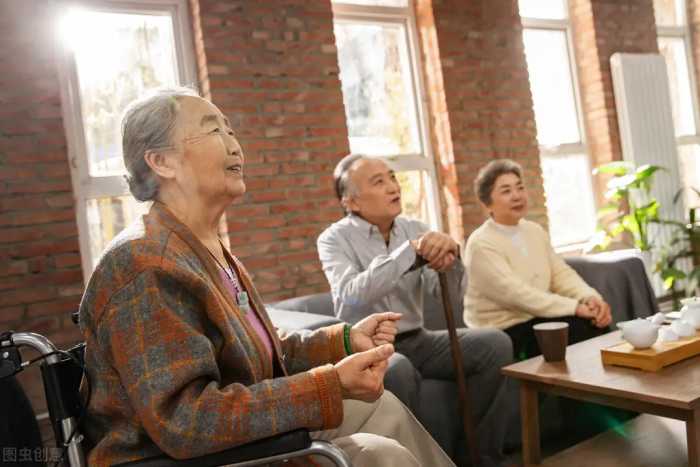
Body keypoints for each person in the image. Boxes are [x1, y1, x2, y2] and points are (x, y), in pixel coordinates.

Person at [78, 88, 454, 467]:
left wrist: (342, 341)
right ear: (162, 161)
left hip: (236, 443)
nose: (235, 146)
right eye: (214, 131)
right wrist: (330, 385)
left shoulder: (206, 248)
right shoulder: (144, 264)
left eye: (231, 131)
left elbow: (262, 353)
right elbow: (186, 423)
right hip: (182, 458)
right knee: (381, 455)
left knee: (383, 407)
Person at [317, 154, 513, 467]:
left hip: (418, 339)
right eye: (378, 182)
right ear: (351, 201)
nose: (393, 186)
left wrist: (450, 260)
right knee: (397, 367)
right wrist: (408, 254)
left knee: (494, 344)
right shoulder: (333, 239)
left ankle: (480, 457)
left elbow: (445, 294)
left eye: (392, 177)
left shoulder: (415, 228)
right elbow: (350, 296)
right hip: (369, 346)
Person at [463, 158, 612, 361]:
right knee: (576, 329)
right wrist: (574, 308)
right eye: (506, 191)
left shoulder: (533, 231)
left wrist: (590, 298)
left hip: (537, 317)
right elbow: (518, 295)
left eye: (520, 188)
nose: (516, 196)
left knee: (595, 322)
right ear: (487, 203)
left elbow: (561, 275)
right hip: (503, 329)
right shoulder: (481, 243)